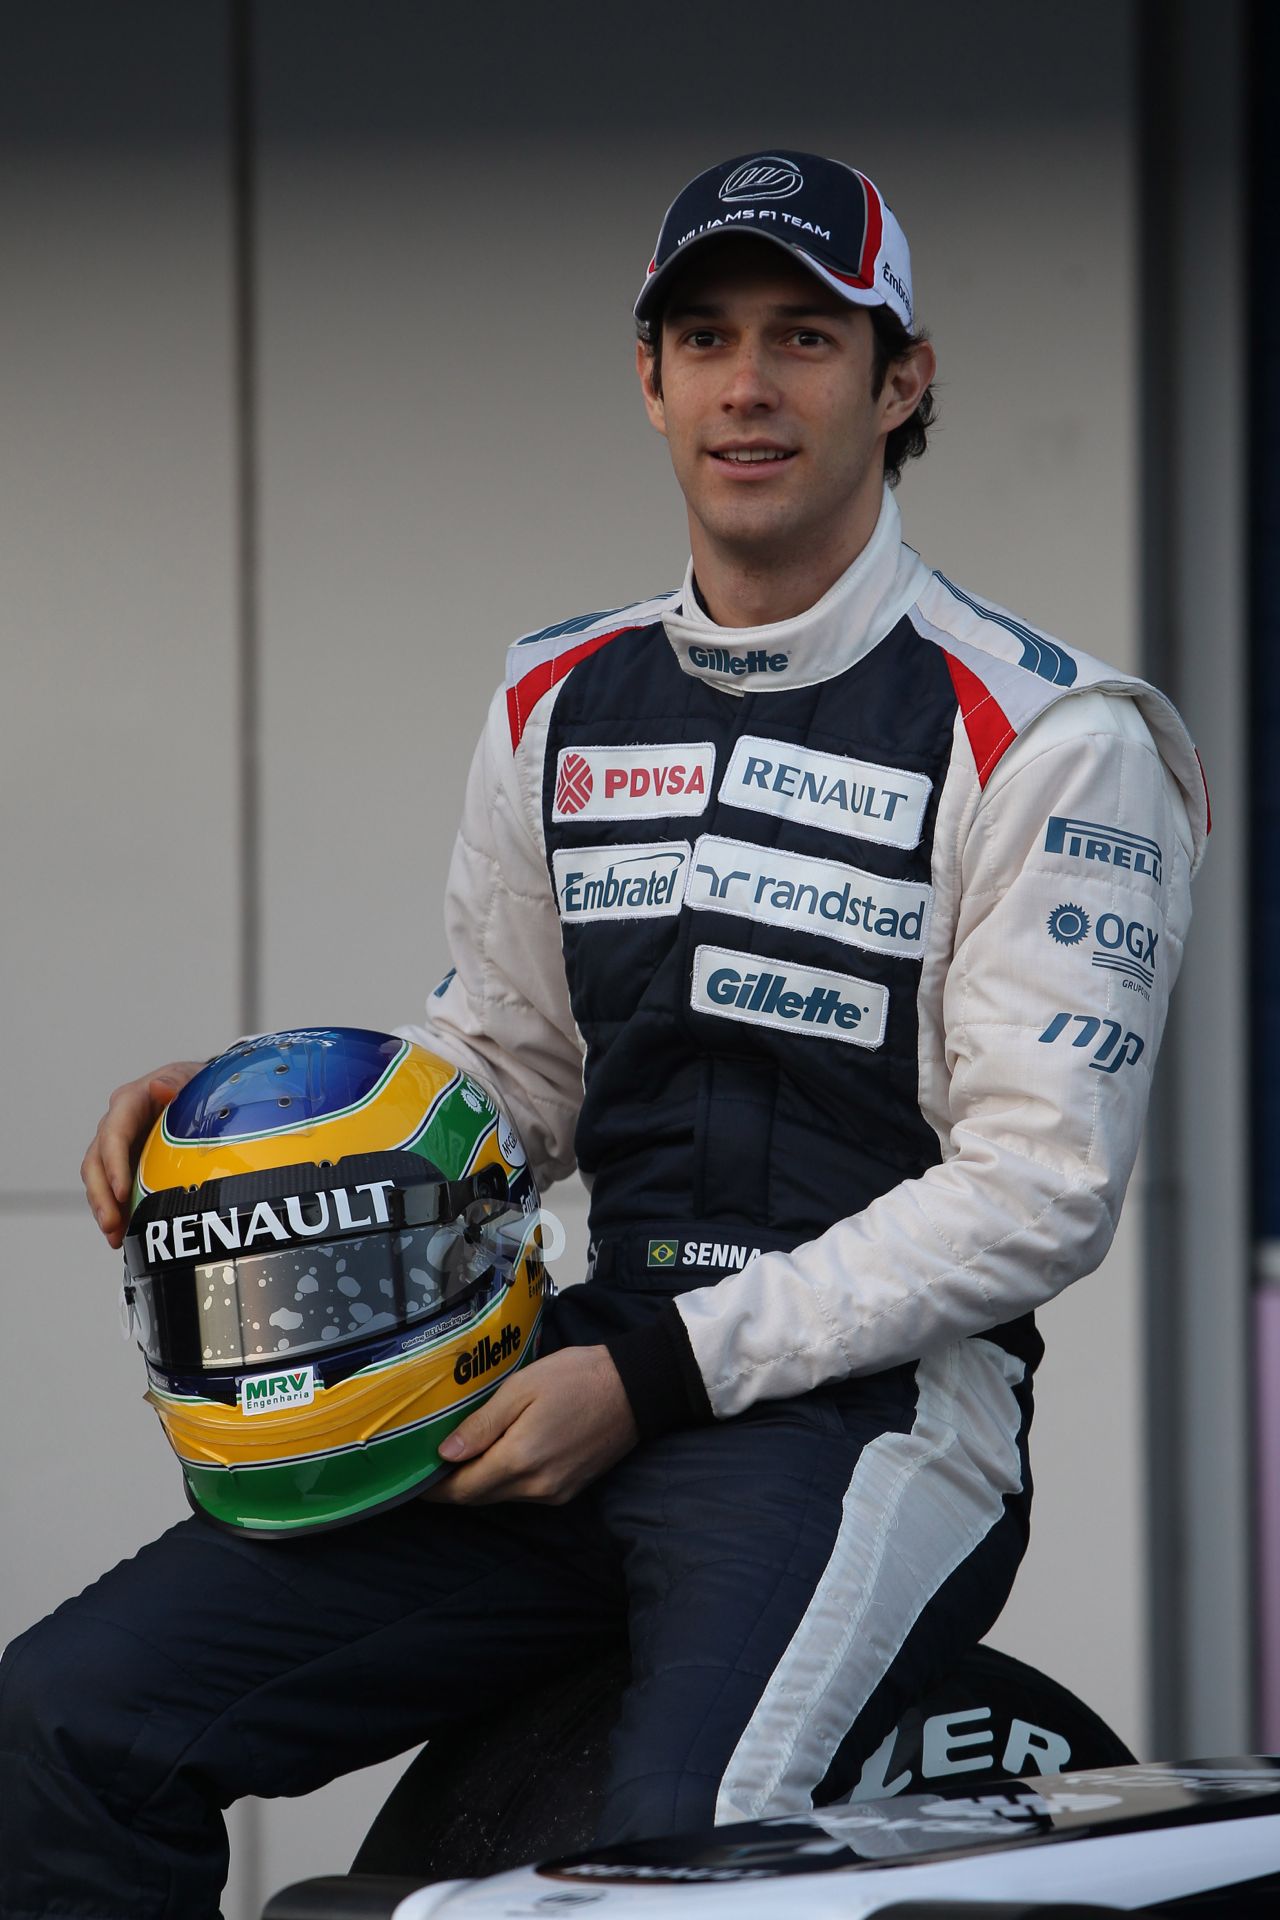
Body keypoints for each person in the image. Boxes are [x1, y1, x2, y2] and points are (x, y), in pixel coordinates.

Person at [1, 149, 1206, 1917]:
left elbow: (1041, 1190)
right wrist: (260, 1115)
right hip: (572, 1375)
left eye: (808, 335)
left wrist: (652, 1379)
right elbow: (510, 1076)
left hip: (867, 1428)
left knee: (655, 1879)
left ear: (903, 382)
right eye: (704, 336)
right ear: (648, 379)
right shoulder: (555, 695)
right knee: (64, 1725)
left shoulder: (1053, 734)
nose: (749, 383)